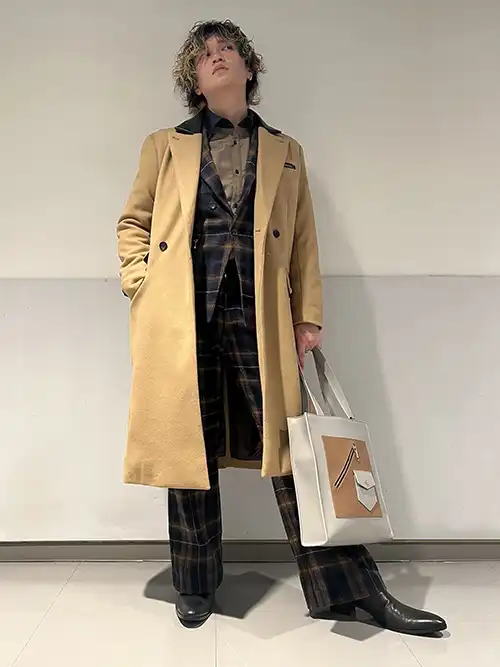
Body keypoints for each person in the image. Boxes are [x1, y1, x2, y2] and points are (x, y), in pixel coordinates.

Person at [116, 19, 446, 636]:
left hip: (260, 318)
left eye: (228, 50)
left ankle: (351, 589)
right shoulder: (164, 146)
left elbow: (304, 242)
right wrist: (143, 283)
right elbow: (133, 223)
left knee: (298, 454)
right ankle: (195, 582)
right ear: (194, 80)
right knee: (191, 452)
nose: (217, 57)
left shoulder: (285, 151)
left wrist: (308, 316)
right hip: (182, 319)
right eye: (204, 55)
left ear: (249, 68)